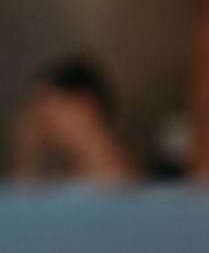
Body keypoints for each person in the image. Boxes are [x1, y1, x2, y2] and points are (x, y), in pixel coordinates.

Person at [10, 55, 137, 189]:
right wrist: (27, 158)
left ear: (86, 106)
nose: (46, 131)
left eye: (51, 118)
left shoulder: (128, 180)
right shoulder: (62, 181)